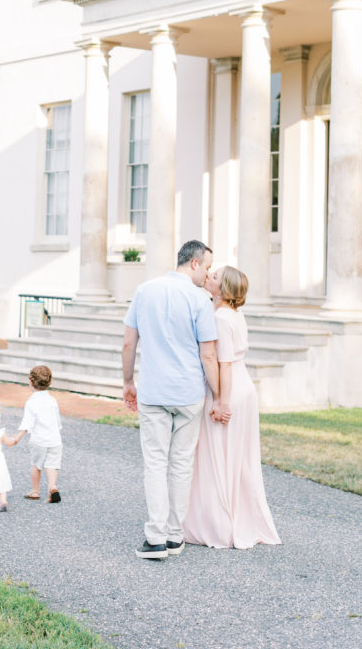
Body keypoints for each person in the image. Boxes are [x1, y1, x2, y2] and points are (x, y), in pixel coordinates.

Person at [122, 239, 229, 560]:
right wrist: (219, 396)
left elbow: (129, 343)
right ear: (194, 263)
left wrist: (128, 381)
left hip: (154, 391)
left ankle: (155, 537)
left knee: (155, 462)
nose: (207, 274)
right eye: (207, 267)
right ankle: (173, 535)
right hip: (188, 393)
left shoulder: (145, 290)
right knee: (181, 463)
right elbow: (208, 356)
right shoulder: (199, 300)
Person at [183, 266, 281, 549]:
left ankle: (221, 525)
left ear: (223, 289)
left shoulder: (222, 319)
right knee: (237, 458)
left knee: (219, 457)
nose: (209, 276)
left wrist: (220, 401)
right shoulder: (235, 315)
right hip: (243, 387)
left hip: (230, 390)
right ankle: (237, 518)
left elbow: (222, 362)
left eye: (214, 277)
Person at [13, 364, 63, 503]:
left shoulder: (31, 402)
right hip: (55, 440)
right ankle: (52, 487)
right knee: (52, 465)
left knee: (36, 465)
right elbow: (57, 420)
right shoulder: (52, 400)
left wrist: (17, 437)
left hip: (39, 440)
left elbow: (27, 423)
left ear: (30, 382)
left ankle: (35, 491)